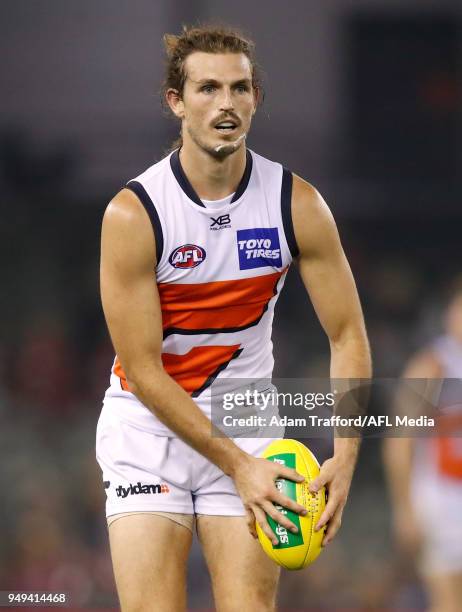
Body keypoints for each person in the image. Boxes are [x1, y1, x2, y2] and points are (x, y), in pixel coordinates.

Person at [97, 25, 371, 612]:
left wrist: (345, 457)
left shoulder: (295, 204)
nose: (226, 103)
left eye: (239, 88)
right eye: (207, 88)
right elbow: (145, 372)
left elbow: (347, 334)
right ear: (177, 101)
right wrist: (241, 466)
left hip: (246, 418)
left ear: (256, 99)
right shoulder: (133, 213)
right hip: (147, 431)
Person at [383, 287, 462, 612]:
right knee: (448, 600)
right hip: (440, 498)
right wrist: (404, 508)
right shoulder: (432, 366)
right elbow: (398, 441)